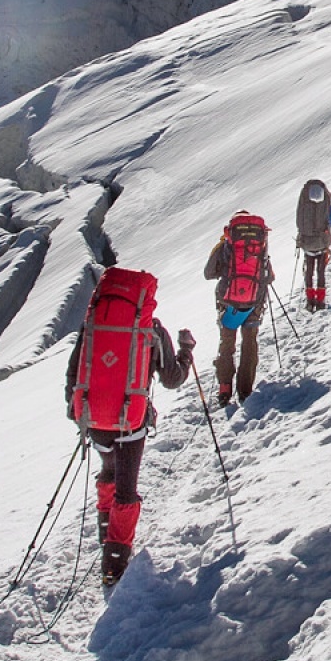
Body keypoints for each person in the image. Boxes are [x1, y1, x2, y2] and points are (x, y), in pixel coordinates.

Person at [65, 265, 193, 587]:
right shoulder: (151, 329)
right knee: (126, 488)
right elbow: (172, 379)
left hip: (94, 418)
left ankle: (106, 534)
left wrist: (78, 410)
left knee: (108, 471)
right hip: (131, 422)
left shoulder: (92, 325)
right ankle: (115, 562)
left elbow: (74, 373)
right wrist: (186, 352)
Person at [203, 211, 275, 406]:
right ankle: (245, 391)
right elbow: (270, 277)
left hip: (228, 303)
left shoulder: (225, 245)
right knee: (249, 343)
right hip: (254, 302)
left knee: (227, 343)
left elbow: (208, 273)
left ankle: (224, 389)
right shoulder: (260, 246)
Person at [296, 179, 331, 311]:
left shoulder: (305, 200)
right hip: (321, 243)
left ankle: (310, 300)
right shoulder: (324, 201)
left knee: (309, 272)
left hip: (307, 243)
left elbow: (299, 219)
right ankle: (320, 300)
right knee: (321, 272)